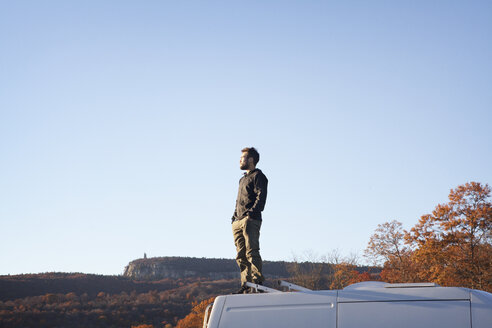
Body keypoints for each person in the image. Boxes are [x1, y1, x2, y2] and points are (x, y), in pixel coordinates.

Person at [231, 147, 268, 294]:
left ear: (251, 159)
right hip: (238, 221)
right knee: (240, 255)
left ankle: (257, 283)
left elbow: (261, 197)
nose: (240, 160)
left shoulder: (259, 176)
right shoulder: (242, 179)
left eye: (243, 157)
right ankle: (246, 284)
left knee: (251, 251)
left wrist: (250, 215)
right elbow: (238, 201)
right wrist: (234, 218)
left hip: (250, 220)